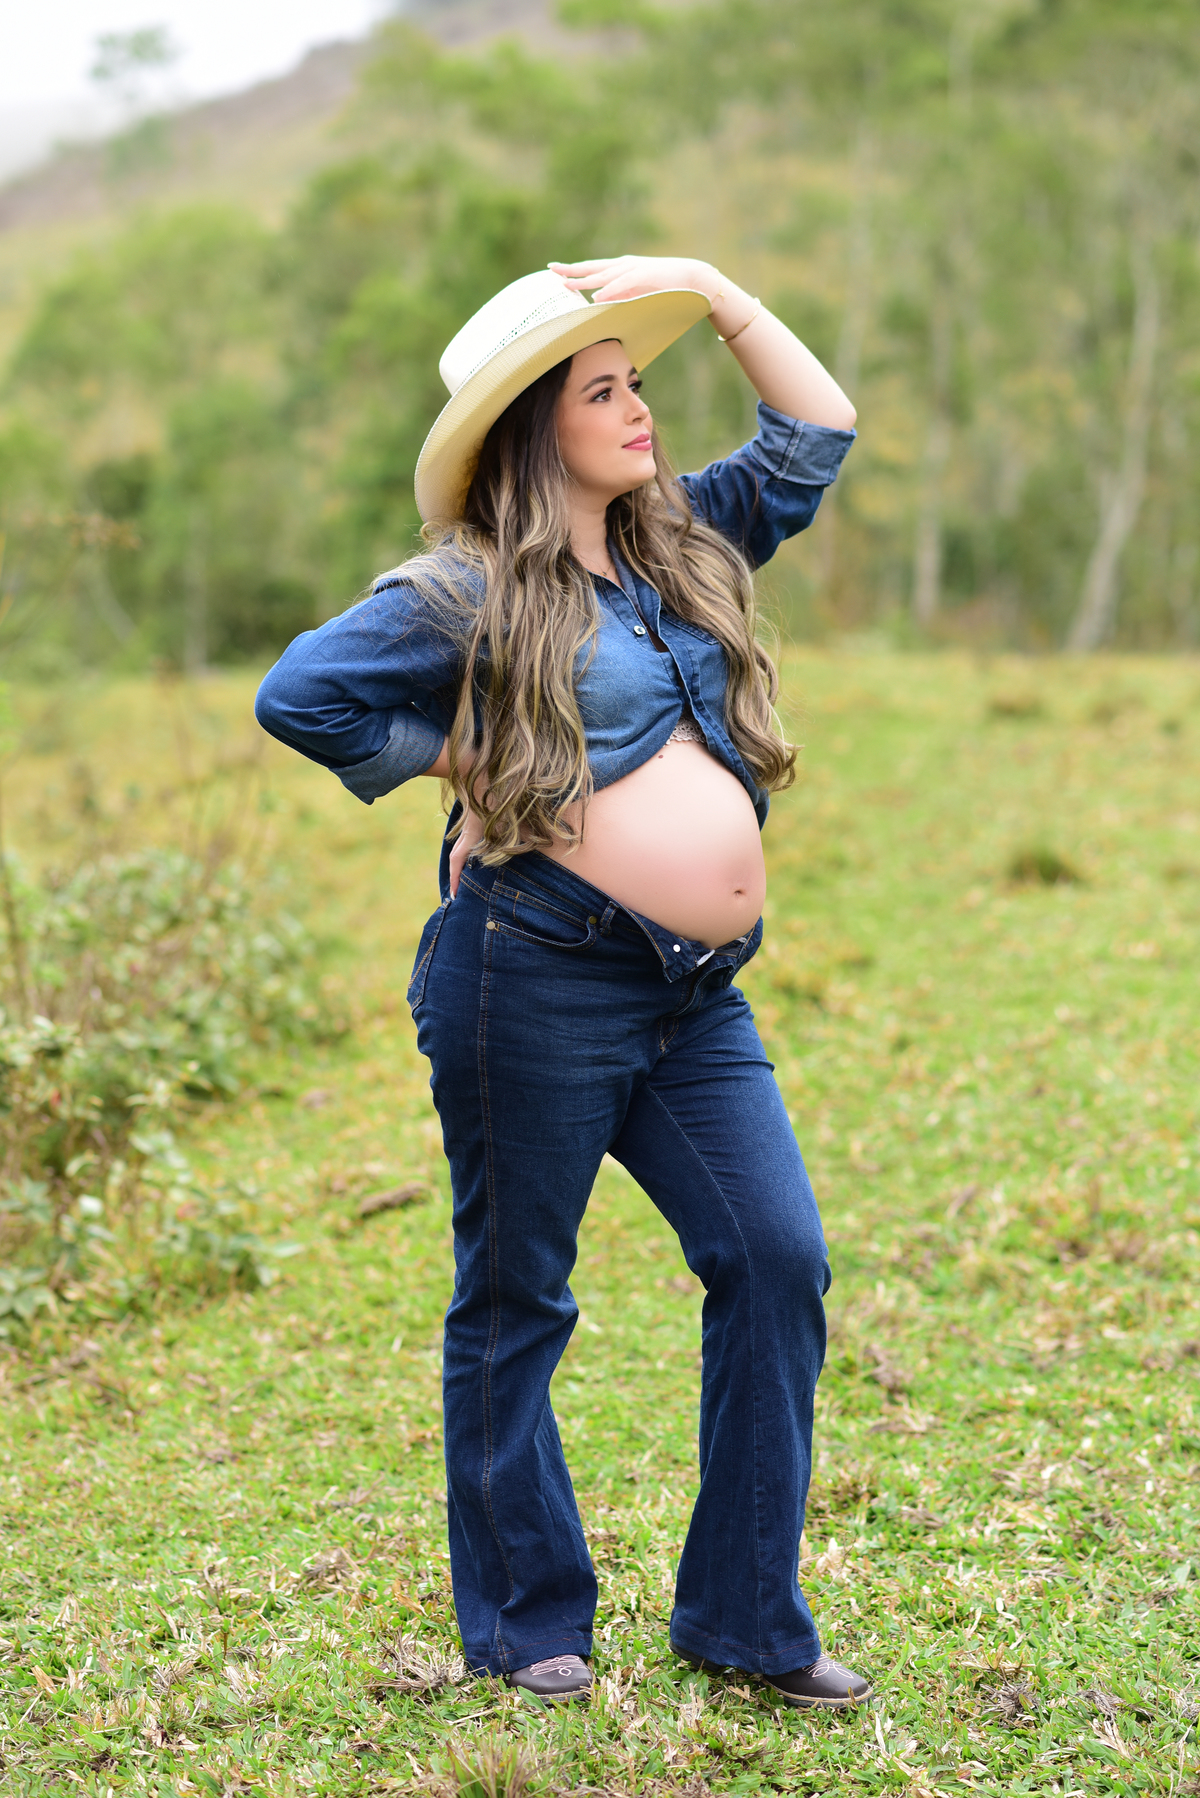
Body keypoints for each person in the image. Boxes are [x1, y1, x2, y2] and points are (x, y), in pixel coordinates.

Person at [255, 255, 872, 1709]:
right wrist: (461, 760)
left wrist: (711, 288)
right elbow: (303, 693)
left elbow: (818, 426)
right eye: (605, 390)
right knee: (519, 1297)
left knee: (776, 1259)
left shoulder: (689, 539)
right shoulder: (464, 586)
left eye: (639, 382)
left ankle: (741, 1618)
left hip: (692, 997)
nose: (640, 408)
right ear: (537, 426)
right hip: (526, 978)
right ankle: (530, 1624)